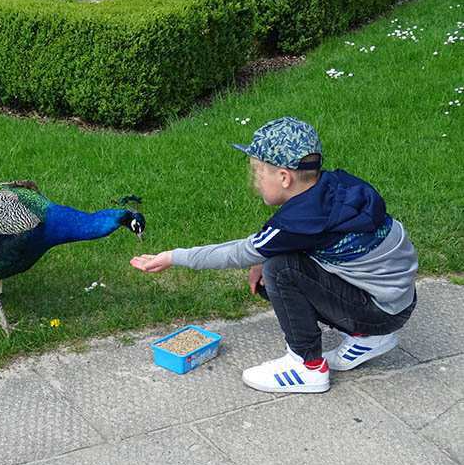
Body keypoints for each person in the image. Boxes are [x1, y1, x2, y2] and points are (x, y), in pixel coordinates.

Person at [131, 117, 418, 393]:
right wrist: (261, 257)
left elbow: (239, 252)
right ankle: (366, 338)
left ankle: (307, 366)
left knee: (280, 270)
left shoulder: (300, 221)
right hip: (394, 301)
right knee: (271, 264)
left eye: (258, 171)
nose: (255, 179)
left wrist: (173, 256)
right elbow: (304, 239)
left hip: (380, 310)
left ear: (284, 177)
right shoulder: (331, 187)